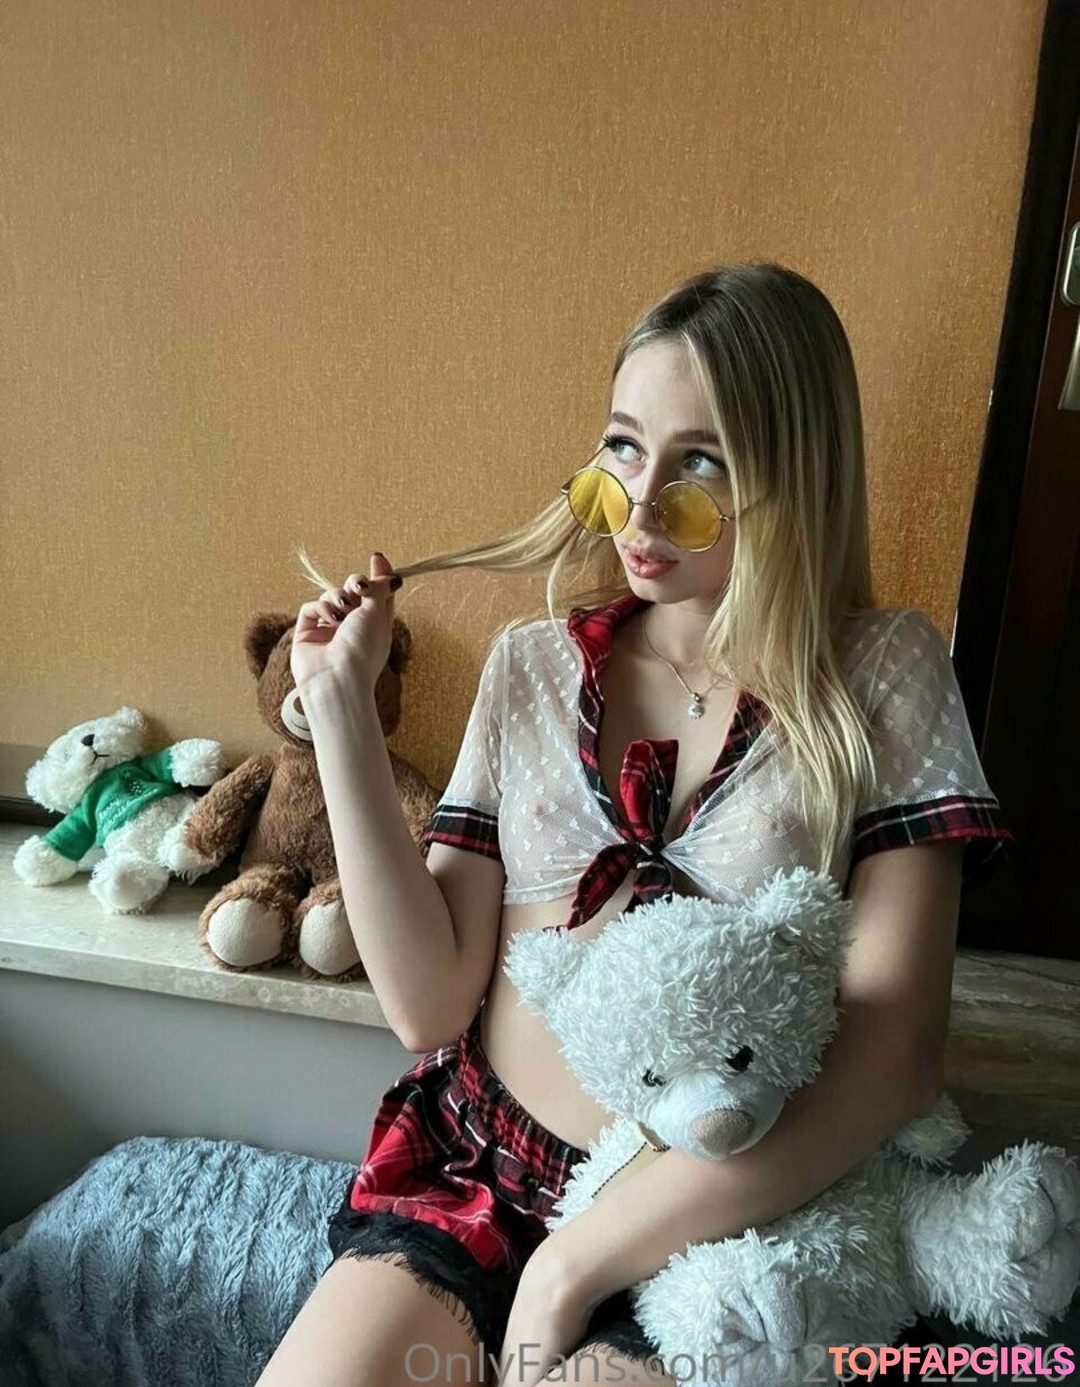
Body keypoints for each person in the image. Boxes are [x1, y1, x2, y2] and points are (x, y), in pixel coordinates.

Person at [254, 263, 1012, 1387]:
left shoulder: (882, 674)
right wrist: (339, 711)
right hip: (481, 1173)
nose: (642, 506)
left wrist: (574, 1264)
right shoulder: (530, 664)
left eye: (701, 463)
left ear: (795, 477)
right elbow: (428, 1003)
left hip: (721, 1224)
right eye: (622, 447)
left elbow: (893, 1058)